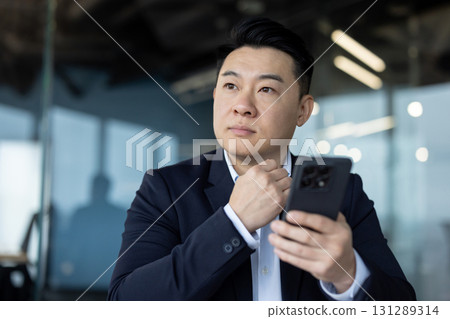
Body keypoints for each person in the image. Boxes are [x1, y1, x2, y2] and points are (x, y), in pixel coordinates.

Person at [108, 17, 416, 301]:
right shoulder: (166, 188)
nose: (243, 105)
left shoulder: (341, 190)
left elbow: (403, 305)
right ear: (216, 97)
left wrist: (348, 274)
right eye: (231, 86)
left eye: (266, 89)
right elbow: (126, 301)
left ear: (303, 111)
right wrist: (234, 223)